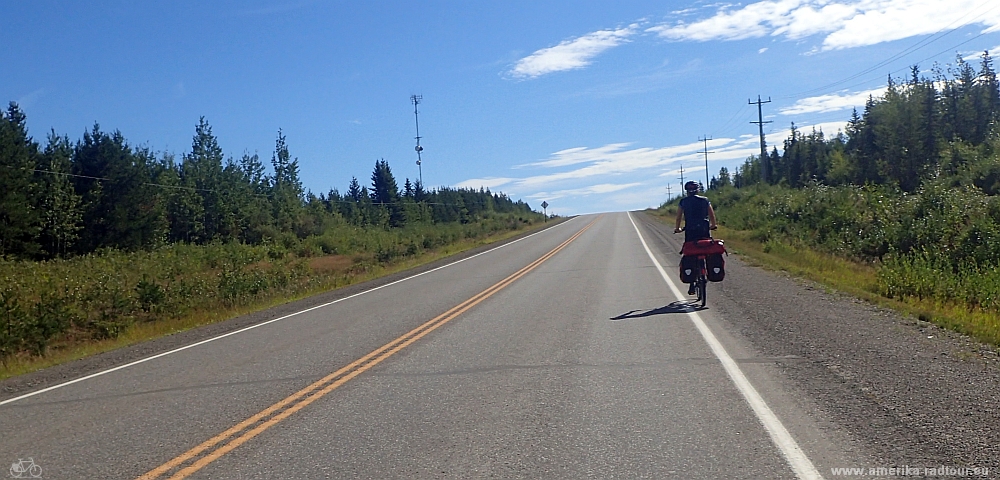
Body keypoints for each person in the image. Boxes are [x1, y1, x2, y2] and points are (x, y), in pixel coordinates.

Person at [674, 181, 717, 294]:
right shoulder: (705, 200)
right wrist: (713, 225)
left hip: (690, 230)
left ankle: (692, 283)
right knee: (706, 248)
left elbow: (678, 217)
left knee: (691, 252)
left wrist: (677, 228)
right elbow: (712, 214)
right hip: (704, 229)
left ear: (686, 191)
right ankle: (708, 269)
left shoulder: (683, 202)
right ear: (698, 189)